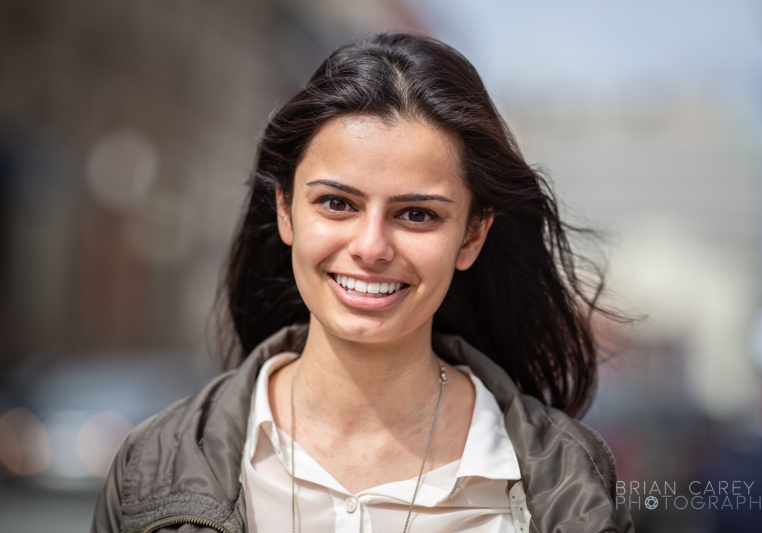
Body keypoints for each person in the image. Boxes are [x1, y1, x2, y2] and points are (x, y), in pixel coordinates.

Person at [92, 32, 633, 533]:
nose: (371, 246)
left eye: (417, 214)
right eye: (336, 203)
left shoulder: (570, 483)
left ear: (472, 236)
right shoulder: (151, 462)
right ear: (285, 209)